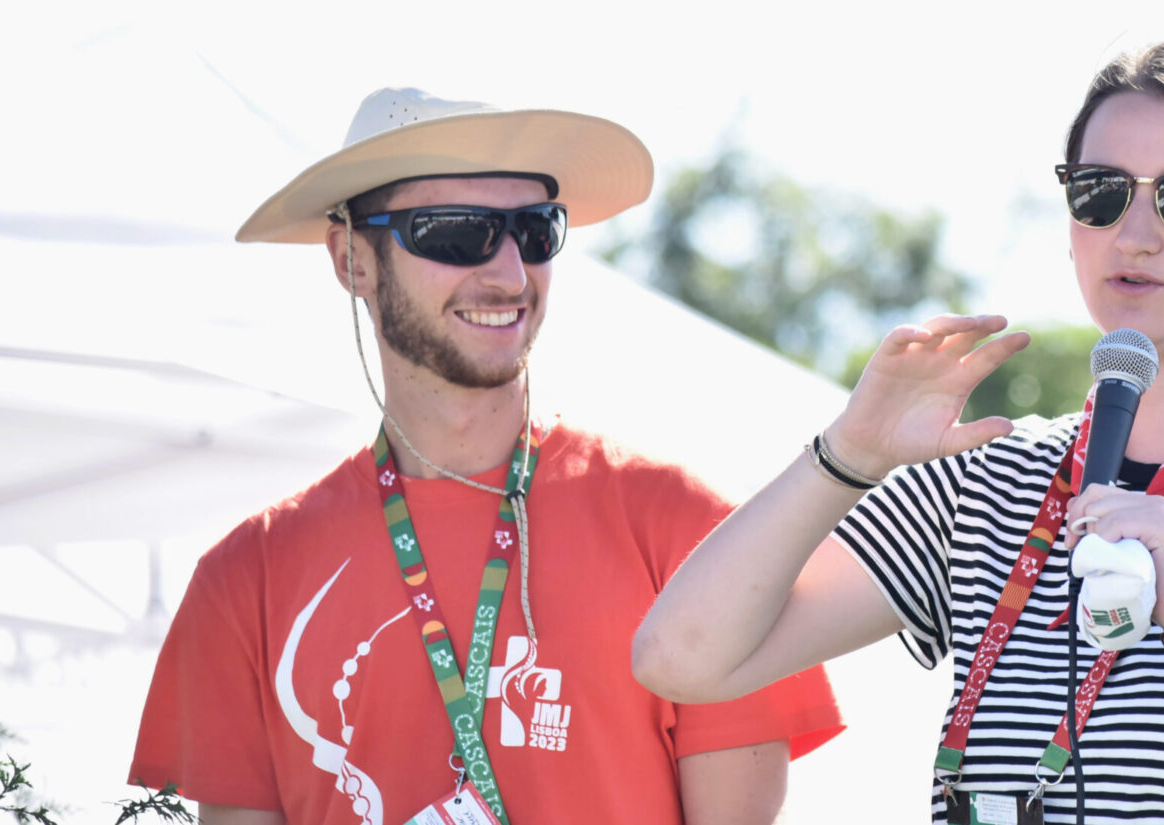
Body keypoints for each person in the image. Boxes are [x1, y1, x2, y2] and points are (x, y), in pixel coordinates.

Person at [634, 40, 1164, 825]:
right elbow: (682, 659)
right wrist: (847, 456)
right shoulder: (989, 476)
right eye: (1101, 192)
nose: (1133, 232)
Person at [128, 88, 842, 825]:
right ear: (352, 259)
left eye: (535, 231)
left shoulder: (693, 531)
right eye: (455, 233)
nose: (508, 273)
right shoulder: (246, 579)